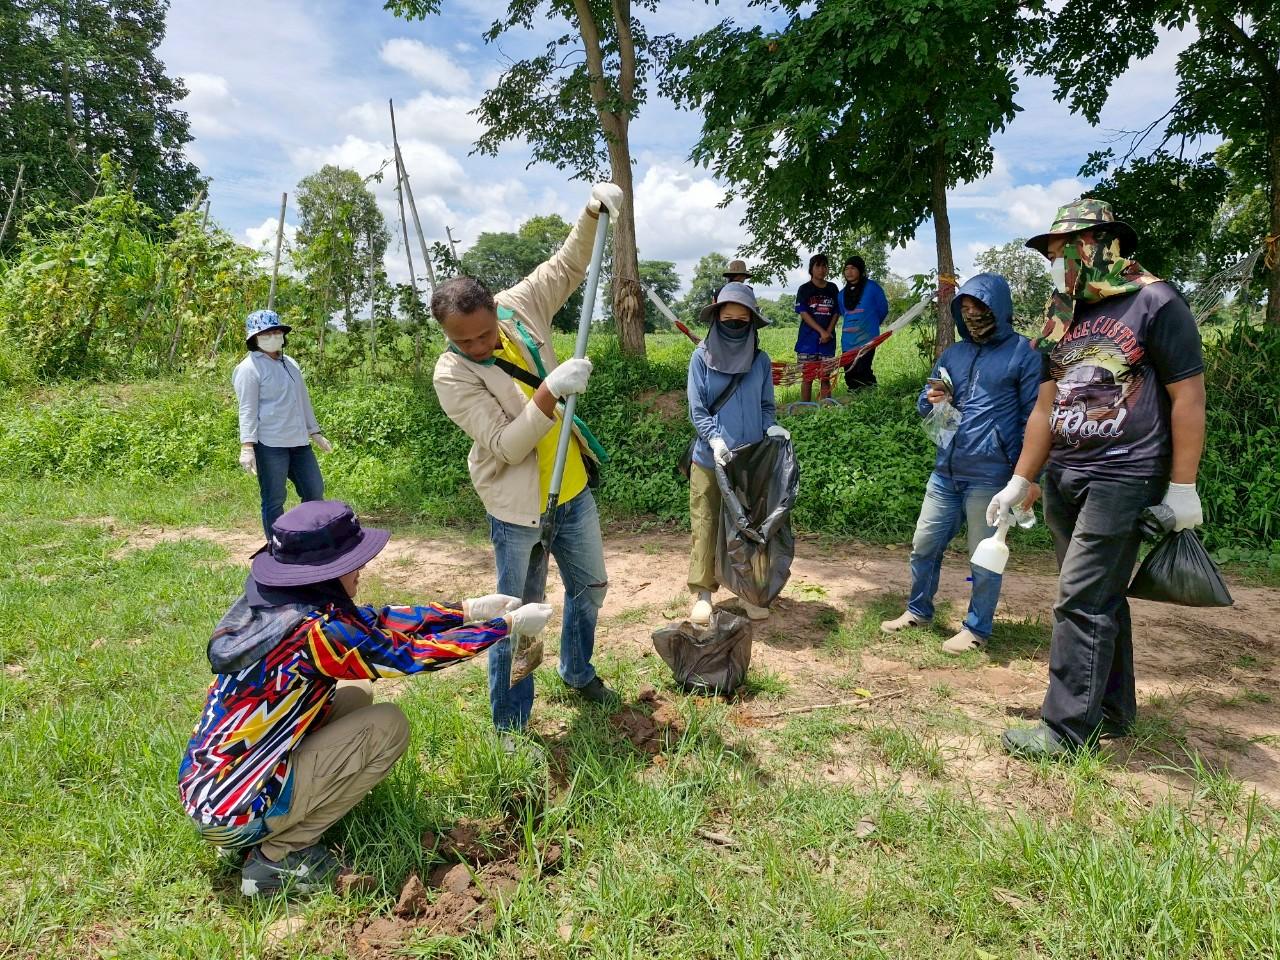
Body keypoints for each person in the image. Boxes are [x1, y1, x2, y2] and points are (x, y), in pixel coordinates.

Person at [177, 499, 554, 896]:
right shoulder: (317, 631)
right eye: (352, 562)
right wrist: (503, 626)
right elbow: (412, 656)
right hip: (235, 811)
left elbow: (375, 621)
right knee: (388, 727)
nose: (361, 569)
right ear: (327, 571)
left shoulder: (275, 605)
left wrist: (466, 611)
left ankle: (267, 822)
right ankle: (278, 858)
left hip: (215, 791)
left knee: (355, 693)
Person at [987, 199, 1206, 759]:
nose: (1064, 262)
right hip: (1066, 473)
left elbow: (1187, 397)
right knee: (1099, 596)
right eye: (1058, 254)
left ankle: (1064, 731)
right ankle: (1110, 709)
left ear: (1106, 243)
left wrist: (1182, 488)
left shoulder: (1156, 301)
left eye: (1071, 249)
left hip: (1125, 473)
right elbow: (1043, 406)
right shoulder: (1063, 314)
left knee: (1077, 599)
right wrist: (1022, 479)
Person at [432, 182, 623, 733]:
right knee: (518, 617)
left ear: (496, 309)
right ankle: (511, 724)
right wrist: (549, 393)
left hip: (572, 491)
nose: (479, 348)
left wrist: (591, 212)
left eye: (485, 334)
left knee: (590, 590)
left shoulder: (520, 307)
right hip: (519, 511)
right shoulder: (452, 374)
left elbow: (567, 264)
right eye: (463, 340)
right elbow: (506, 445)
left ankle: (577, 670)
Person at [881, 274, 1042, 654]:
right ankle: (918, 610)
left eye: (980, 309)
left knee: (983, 557)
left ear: (999, 310)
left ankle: (977, 630)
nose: (972, 317)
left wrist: (1031, 478)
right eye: (965, 310)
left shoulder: (1024, 354)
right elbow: (929, 403)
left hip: (991, 476)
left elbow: (1034, 419)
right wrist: (932, 398)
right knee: (923, 545)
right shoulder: (953, 354)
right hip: (945, 471)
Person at [686, 283, 788, 624]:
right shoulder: (701, 358)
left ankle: (749, 593)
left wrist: (771, 427)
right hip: (710, 459)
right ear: (716, 319)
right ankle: (703, 593)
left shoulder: (760, 361)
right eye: (728, 318)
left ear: (751, 323)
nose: (734, 324)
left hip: (749, 462)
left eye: (741, 319)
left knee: (750, 527)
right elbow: (698, 409)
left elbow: (765, 405)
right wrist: (715, 440)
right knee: (707, 522)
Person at [233, 309, 332, 540]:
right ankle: (277, 545)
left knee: (314, 490)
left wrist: (314, 431)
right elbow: (247, 409)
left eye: (276, 331)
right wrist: (247, 446)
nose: (273, 336)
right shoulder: (249, 369)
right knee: (274, 498)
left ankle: (310, 538)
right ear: (254, 338)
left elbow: (302, 399)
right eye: (266, 333)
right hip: (270, 444)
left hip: (298, 441)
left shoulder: (290, 363)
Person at [838, 255, 889, 391]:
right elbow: (844, 313)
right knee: (850, 374)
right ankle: (855, 404)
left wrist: (870, 325)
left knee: (863, 372)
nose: (849, 272)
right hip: (847, 342)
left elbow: (883, 309)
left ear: (860, 270)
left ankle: (871, 400)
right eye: (846, 269)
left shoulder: (873, 288)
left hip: (867, 340)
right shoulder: (841, 294)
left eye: (853, 268)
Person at [794, 254, 840, 403]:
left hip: (827, 342)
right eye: (818, 266)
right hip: (807, 341)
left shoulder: (833, 288)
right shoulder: (804, 289)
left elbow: (836, 312)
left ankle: (826, 409)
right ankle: (806, 408)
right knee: (807, 378)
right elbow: (803, 313)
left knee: (825, 377)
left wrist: (828, 332)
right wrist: (821, 331)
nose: (821, 269)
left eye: (824, 266)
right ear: (811, 269)